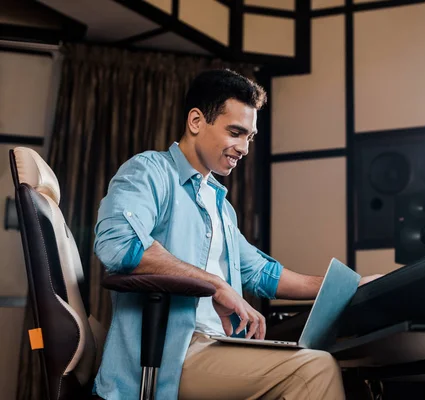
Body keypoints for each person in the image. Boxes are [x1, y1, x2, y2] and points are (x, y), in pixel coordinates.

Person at [93, 69, 382, 400]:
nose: (244, 148)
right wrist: (216, 286)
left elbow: (263, 274)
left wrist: (351, 286)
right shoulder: (149, 171)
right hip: (169, 358)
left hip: (214, 345)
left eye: (250, 137)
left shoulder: (220, 205)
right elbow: (118, 244)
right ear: (196, 121)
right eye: (235, 132)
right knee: (313, 369)